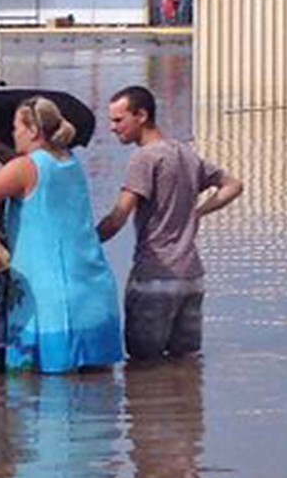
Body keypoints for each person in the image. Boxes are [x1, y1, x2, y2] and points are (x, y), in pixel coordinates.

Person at [0, 96, 123, 374]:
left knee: (44, 399)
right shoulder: (68, 160)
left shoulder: (24, 168)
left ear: (33, 131)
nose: (13, 133)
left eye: (16, 127)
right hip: (93, 295)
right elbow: (31, 170)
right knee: (96, 397)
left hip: (50, 302)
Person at [96, 85, 243, 360]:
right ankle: (183, 403)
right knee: (186, 363)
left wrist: (85, 242)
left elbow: (118, 216)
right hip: (191, 278)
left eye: (118, 120)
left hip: (154, 277)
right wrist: (199, 211)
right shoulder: (185, 153)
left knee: (143, 366)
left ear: (141, 115)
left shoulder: (144, 158)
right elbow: (234, 185)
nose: (113, 128)